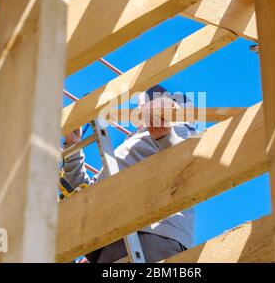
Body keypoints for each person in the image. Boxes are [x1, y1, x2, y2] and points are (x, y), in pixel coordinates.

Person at [60, 85, 197, 263]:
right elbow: (84, 192)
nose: (138, 112)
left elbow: (188, 160)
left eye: (142, 106)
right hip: (107, 241)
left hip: (152, 233)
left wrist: (166, 135)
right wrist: (73, 148)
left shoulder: (178, 125)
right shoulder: (127, 149)